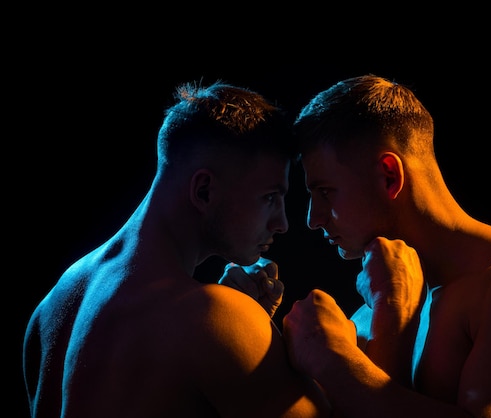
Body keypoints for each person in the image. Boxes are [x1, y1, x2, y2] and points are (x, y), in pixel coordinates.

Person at [281, 75, 491, 417]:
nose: (313, 218)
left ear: (389, 176)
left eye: (324, 191)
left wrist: (338, 367)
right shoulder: (372, 312)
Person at [22, 81, 332, 417]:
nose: (282, 223)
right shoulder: (212, 316)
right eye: (270, 198)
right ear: (203, 191)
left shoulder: (56, 303)